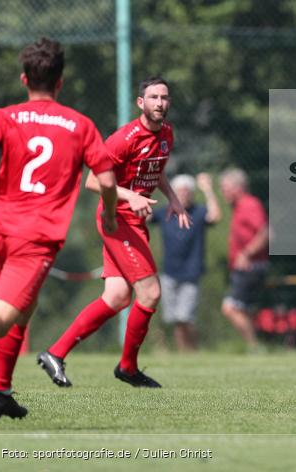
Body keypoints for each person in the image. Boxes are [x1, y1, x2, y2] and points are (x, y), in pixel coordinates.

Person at [0, 38, 118, 418]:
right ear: (60, 82)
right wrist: (109, 216)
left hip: (0, 231)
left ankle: (1, 394)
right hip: (35, 237)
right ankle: (0, 393)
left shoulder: (5, 116)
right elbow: (107, 182)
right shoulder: (79, 125)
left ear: (24, 79)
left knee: (25, 308)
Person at [38, 77, 189, 389]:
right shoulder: (124, 138)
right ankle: (128, 367)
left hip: (134, 221)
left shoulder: (167, 134)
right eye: (153, 97)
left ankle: (55, 353)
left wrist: (173, 198)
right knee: (150, 293)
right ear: (140, 103)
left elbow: (155, 168)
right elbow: (93, 181)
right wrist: (130, 197)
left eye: (164, 97)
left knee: (118, 297)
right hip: (116, 219)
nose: (159, 102)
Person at [150, 172, 221, 351]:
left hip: (191, 272)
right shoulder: (165, 212)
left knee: (185, 317)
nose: (183, 195)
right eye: (179, 191)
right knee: (175, 319)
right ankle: (185, 352)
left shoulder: (198, 213)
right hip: (169, 271)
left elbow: (215, 216)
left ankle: (191, 350)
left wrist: (208, 190)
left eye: (187, 191)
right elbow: (144, 214)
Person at [219, 168, 269, 351]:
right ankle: (254, 347)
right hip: (244, 267)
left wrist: (246, 253)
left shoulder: (249, 204)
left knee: (230, 308)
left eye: (225, 188)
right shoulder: (239, 207)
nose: (223, 192)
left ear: (237, 188)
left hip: (251, 266)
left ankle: (254, 346)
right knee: (244, 310)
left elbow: (266, 233)